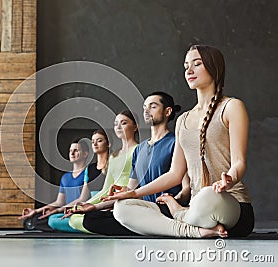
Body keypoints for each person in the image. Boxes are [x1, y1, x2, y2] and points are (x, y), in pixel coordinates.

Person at [104, 45, 254, 238]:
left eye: (197, 64)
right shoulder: (183, 120)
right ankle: (196, 231)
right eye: (186, 66)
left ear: (214, 67)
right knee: (122, 208)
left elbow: (239, 162)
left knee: (207, 196)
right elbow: (174, 174)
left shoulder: (232, 107)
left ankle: (179, 215)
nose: (189, 71)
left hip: (228, 205)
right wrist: (133, 193)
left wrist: (229, 179)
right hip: (195, 206)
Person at [81, 92, 189, 235]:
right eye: (145, 107)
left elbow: (187, 188)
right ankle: (149, 228)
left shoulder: (176, 143)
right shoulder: (140, 149)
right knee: (91, 219)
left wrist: (174, 200)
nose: (146, 110)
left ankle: (156, 227)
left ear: (167, 111)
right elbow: (129, 192)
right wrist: (95, 207)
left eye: (153, 106)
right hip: (143, 208)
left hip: (165, 209)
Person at [67, 110, 139, 233]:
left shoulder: (138, 150)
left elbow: (135, 187)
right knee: (74, 218)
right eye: (116, 123)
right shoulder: (113, 156)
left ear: (135, 127)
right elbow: (106, 189)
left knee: (89, 220)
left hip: (125, 201)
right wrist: (86, 205)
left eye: (124, 123)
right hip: (108, 201)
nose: (118, 127)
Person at [18, 138, 91, 232]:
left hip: (80, 213)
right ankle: (71, 227)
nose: (72, 153)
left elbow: (82, 199)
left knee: (52, 221)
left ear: (85, 154)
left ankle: (78, 226)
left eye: (76, 150)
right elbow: (59, 202)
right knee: (38, 219)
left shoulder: (88, 172)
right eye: (70, 151)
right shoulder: (65, 177)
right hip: (65, 212)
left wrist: (58, 210)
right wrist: (36, 211)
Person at [45, 129, 110, 232]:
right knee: (53, 219)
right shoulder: (90, 169)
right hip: (89, 206)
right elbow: (83, 197)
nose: (95, 144)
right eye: (93, 142)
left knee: (87, 220)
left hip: (104, 206)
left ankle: (90, 226)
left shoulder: (113, 164)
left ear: (108, 143)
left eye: (99, 141)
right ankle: (87, 226)